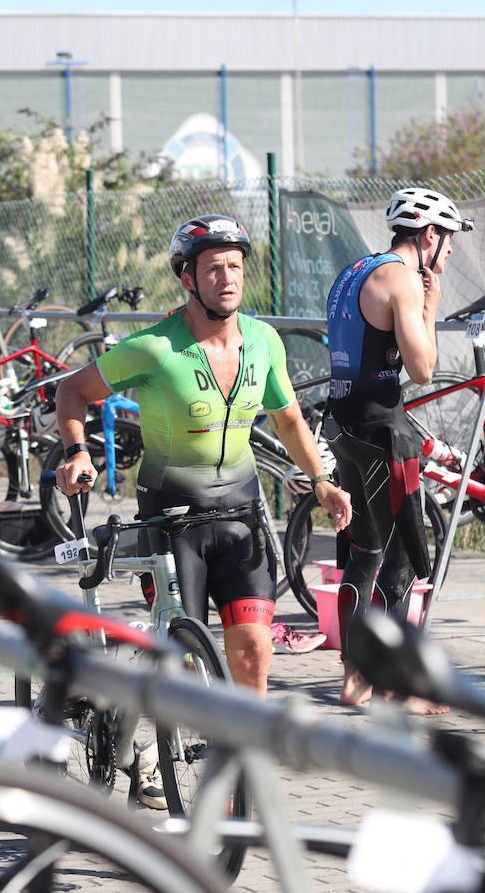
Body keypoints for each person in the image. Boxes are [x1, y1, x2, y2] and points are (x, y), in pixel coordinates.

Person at [54, 214, 353, 701]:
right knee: (186, 662)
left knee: (254, 649)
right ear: (187, 278)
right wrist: (77, 452)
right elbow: (72, 391)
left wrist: (320, 480)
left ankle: (241, 761)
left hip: (241, 514)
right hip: (173, 521)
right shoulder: (154, 348)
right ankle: (160, 752)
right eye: (214, 268)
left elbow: (289, 420)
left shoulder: (264, 342)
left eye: (235, 266)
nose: (228, 278)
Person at [323, 187, 473, 709]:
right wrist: (430, 305)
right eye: (448, 240)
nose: (449, 251)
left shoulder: (354, 271)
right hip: (383, 430)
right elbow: (423, 367)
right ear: (429, 235)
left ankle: (354, 676)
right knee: (404, 560)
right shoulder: (404, 280)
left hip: (341, 420)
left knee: (363, 552)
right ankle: (395, 683)